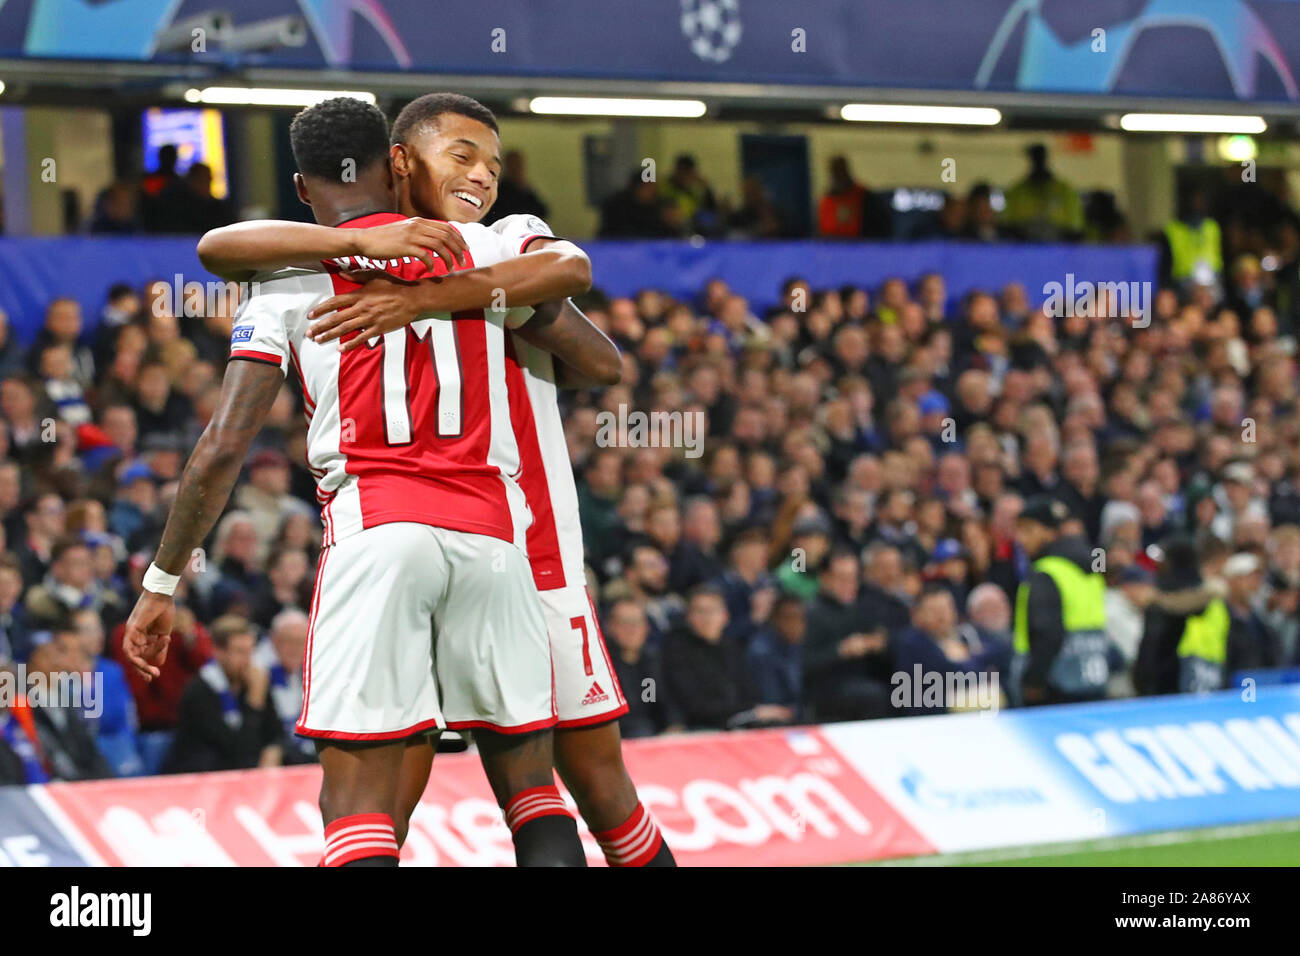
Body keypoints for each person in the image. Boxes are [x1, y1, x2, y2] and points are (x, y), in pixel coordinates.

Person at [127, 94, 597, 867]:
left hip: (378, 533)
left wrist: (162, 581)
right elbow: (593, 342)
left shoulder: (283, 281)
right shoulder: (472, 249)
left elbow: (220, 448)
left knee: (356, 808)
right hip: (495, 543)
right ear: (395, 165)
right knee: (533, 794)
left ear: (303, 187)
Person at [1010, 495, 1112, 705]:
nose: (1020, 539)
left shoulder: (1046, 573)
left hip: (1053, 689)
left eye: (1028, 529)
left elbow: (1047, 634)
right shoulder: (1091, 570)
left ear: (1050, 533)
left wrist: (1033, 682)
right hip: (1092, 680)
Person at [163, 615, 283, 773]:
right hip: (204, 778)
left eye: (250, 651)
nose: (247, 660)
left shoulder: (254, 682)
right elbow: (236, 753)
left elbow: (275, 734)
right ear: (218, 652)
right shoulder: (199, 691)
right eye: (240, 652)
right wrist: (254, 704)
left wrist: (273, 751)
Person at [803, 549, 891, 721]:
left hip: (864, 680)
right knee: (874, 695)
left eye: (853, 578)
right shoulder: (810, 614)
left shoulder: (861, 607)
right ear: (824, 578)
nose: (850, 585)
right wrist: (841, 650)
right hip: (827, 690)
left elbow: (882, 642)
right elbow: (804, 664)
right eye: (842, 578)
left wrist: (878, 643)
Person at [1001, 143, 1084, 242]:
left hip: (1059, 248)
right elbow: (1007, 225)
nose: (1039, 162)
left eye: (1041, 158)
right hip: (1024, 248)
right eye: (1035, 158)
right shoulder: (1017, 190)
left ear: (1047, 160)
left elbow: (1075, 227)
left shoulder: (1065, 190)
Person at [485, 149, 549, 223]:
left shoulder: (525, 189)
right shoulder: (499, 191)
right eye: (514, 164)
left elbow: (543, 211)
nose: (517, 167)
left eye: (519, 164)